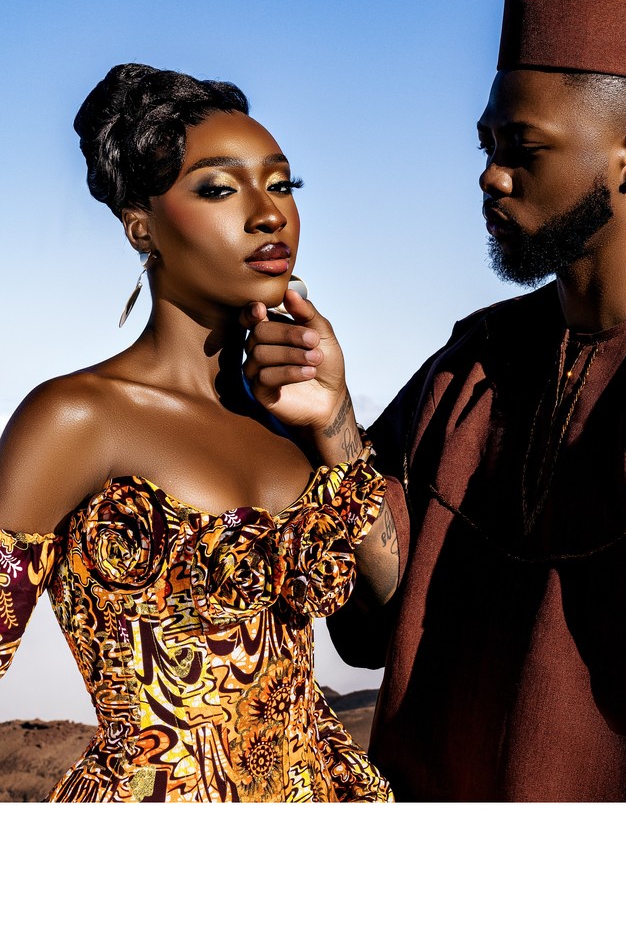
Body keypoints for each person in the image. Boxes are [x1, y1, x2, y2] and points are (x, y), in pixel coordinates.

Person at [242, 0, 626, 802]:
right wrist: (333, 422)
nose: (490, 175)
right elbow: (379, 617)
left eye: (523, 147)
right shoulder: (471, 363)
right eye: (486, 144)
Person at [0, 63, 393, 803]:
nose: (268, 214)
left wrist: (334, 418)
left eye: (282, 184)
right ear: (141, 225)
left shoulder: (291, 421)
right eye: (218, 188)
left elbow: (389, 610)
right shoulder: (74, 418)